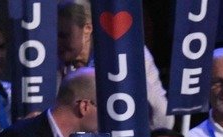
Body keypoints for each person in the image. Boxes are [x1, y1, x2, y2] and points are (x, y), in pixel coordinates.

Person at [56, 0, 169, 129]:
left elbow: (164, 119)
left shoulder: (126, 53)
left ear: (87, 29)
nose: (56, 42)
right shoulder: (58, 63)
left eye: (63, 35)